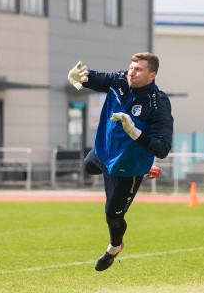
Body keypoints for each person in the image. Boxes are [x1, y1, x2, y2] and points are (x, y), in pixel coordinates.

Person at [67, 52, 173, 271]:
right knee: (87, 166)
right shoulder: (119, 80)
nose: (131, 73)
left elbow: (162, 148)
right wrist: (77, 76)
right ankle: (146, 168)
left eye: (138, 69)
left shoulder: (158, 103)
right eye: (131, 67)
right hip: (104, 153)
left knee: (112, 216)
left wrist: (134, 132)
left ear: (152, 75)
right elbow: (95, 78)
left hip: (129, 167)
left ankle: (114, 248)